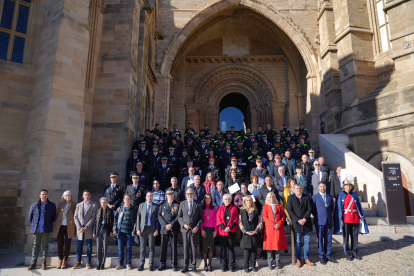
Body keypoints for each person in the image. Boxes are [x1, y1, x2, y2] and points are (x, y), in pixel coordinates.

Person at [334, 179, 369, 261]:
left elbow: (359, 206)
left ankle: (354, 252)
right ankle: (347, 253)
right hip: (346, 218)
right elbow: (339, 208)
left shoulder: (355, 195)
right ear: (344, 186)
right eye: (347, 185)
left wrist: (361, 216)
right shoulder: (340, 195)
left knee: (355, 236)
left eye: (349, 185)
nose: (348, 186)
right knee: (346, 237)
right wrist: (340, 219)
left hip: (355, 217)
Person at [27, 190, 56, 271]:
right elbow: (30, 217)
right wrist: (35, 224)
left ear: (47, 195)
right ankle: (33, 263)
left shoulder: (52, 205)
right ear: (40, 195)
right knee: (35, 245)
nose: (44, 195)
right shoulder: (34, 205)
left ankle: (44, 263)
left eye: (45, 194)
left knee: (45, 246)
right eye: (42, 194)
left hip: (46, 229)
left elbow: (53, 217)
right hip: (36, 229)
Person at [287, 184, 314, 267]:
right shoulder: (290, 198)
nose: (298, 190)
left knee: (307, 242)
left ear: (301, 189)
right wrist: (298, 220)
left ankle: (306, 259)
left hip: (306, 223)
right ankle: (298, 259)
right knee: (298, 242)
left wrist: (304, 219)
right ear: (294, 190)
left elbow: (310, 209)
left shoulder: (306, 197)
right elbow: (290, 210)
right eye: (297, 188)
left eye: (300, 188)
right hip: (297, 224)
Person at [178, 188, 204, 273]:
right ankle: (185, 266)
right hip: (185, 230)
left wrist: (197, 227)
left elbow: (201, 217)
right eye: (188, 193)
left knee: (193, 248)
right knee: (185, 248)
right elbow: (179, 216)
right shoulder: (182, 203)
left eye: (191, 193)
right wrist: (183, 225)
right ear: (186, 194)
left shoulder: (198, 203)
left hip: (194, 230)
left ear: (193, 194)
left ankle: (193, 266)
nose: (189, 195)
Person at [263, 192, 288, 269]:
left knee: (278, 246)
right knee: (270, 247)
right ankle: (270, 263)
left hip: (278, 228)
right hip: (270, 229)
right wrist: (273, 224)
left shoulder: (279, 206)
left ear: (275, 198)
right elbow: (265, 217)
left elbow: (283, 217)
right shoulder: (265, 206)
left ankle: (277, 263)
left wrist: (279, 224)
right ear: (268, 198)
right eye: (270, 197)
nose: (271, 199)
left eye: (273, 197)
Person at [73, 190, 98, 269]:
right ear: (82, 196)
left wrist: (87, 226)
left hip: (88, 229)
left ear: (90, 196)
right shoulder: (79, 205)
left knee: (89, 246)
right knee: (79, 246)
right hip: (80, 229)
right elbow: (75, 217)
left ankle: (88, 262)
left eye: (88, 195)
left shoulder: (94, 205)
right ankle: (78, 261)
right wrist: (79, 227)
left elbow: (94, 217)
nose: (87, 196)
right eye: (85, 195)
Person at [312, 182, 335, 265]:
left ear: (326, 187)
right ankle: (322, 256)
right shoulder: (315, 197)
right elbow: (313, 210)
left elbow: (332, 208)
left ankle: (328, 255)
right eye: (321, 186)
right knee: (320, 239)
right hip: (319, 221)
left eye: (324, 186)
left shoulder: (330, 197)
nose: (323, 188)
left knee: (328, 239)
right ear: (318, 187)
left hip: (329, 221)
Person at [52, 190, 76, 269]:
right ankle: (60, 259)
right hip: (60, 226)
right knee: (60, 243)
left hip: (69, 226)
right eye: (66, 196)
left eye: (69, 195)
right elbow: (57, 214)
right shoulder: (61, 204)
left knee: (67, 244)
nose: (68, 197)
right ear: (64, 197)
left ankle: (65, 260)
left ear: (71, 196)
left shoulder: (74, 205)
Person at [136, 191, 159, 271]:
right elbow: (138, 218)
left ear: (152, 197)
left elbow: (157, 219)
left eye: (151, 196)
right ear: (146, 197)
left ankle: (150, 264)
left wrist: (156, 229)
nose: (149, 197)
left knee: (151, 248)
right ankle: (142, 264)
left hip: (151, 229)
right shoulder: (141, 205)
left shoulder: (156, 206)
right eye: (148, 196)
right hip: (142, 229)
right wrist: (138, 229)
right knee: (142, 248)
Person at [158, 188, 180, 271]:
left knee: (174, 247)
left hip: (173, 229)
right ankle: (162, 264)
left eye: (171, 194)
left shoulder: (177, 204)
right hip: (164, 229)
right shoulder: (162, 204)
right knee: (163, 247)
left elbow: (179, 216)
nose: (170, 196)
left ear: (173, 195)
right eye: (168, 194)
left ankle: (174, 265)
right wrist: (165, 225)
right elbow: (159, 216)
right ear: (166, 195)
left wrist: (171, 225)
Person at [239, 195, 262, 272]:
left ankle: (253, 266)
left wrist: (256, 230)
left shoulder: (256, 210)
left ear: (252, 201)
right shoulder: (242, 210)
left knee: (254, 250)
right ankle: (246, 267)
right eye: (247, 200)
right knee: (246, 251)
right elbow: (240, 222)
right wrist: (244, 231)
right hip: (246, 233)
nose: (249, 202)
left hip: (254, 233)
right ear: (244, 202)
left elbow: (260, 221)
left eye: (250, 200)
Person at [113, 194, 137, 270]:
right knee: (120, 248)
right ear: (123, 200)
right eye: (125, 198)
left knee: (129, 248)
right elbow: (115, 220)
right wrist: (115, 230)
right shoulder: (119, 209)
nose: (127, 200)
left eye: (128, 198)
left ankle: (128, 263)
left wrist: (134, 231)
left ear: (130, 200)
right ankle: (120, 264)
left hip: (129, 232)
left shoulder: (133, 209)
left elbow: (136, 221)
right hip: (120, 232)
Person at [216, 194, 239, 272]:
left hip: (231, 231)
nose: (227, 200)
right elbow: (218, 219)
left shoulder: (234, 208)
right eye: (226, 199)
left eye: (229, 199)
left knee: (231, 248)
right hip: (222, 231)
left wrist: (230, 227)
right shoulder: (220, 208)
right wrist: (224, 228)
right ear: (223, 200)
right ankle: (223, 265)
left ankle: (231, 265)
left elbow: (236, 218)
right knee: (223, 249)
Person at [93, 197, 114, 270]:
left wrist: (111, 231)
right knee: (99, 247)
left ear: (107, 202)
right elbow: (95, 223)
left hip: (106, 230)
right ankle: (99, 263)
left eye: (104, 202)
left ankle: (103, 263)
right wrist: (94, 232)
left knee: (105, 247)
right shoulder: (98, 210)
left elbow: (113, 222)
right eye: (102, 202)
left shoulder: (110, 211)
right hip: (99, 230)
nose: (103, 203)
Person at [200, 194, 217, 272]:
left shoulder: (214, 208)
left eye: (209, 198)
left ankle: (210, 264)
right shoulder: (202, 208)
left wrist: (215, 230)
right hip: (204, 230)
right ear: (204, 199)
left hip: (212, 229)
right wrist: (202, 230)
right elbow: (201, 220)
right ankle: (205, 264)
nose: (207, 199)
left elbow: (215, 220)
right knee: (205, 247)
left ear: (211, 199)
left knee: (211, 247)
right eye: (206, 198)